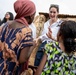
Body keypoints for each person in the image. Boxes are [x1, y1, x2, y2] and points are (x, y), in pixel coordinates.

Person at [0, 0, 36, 75]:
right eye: (34, 14)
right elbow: (22, 59)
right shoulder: (26, 31)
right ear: (30, 15)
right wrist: (33, 46)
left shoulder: (5, 25)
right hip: (9, 71)